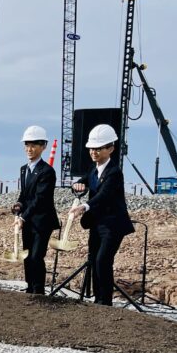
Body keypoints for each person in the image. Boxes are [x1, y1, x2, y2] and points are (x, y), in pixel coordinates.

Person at [69, 124, 134, 306]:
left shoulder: (114, 172)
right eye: (92, 148)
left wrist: (85, 206)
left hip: (113, 225)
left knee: (103, 260)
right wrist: (77, 186)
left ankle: (104, 302)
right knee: (94, 259)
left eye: (98, 148)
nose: (94, 152)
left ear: (110, 149)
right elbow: (81, 183)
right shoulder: (93, 170)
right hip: (97, 224)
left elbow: (105, 195)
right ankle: (98, 299)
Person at [11, 125, 60, 294]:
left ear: (43, 146)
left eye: (34, 145)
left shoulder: (47, 171)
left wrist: (23, 217)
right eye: (27, 145)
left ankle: (38, 291)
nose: (29, 149)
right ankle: (30, 287)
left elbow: (40, 198)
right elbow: (25, 194)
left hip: (42, 222)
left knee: (36, 256)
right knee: (27, 255)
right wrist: (18, 204)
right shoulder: (24, 169)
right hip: (28, 220)